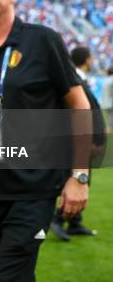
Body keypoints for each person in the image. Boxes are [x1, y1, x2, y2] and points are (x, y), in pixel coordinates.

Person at [0, 0, 91, 281]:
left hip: (33, 189)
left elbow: (79, 105)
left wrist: (80, 176)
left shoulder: (42, 41)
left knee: (8, 275)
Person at [50, 46, 107, 240]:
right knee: (75, 177)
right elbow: (86, 109)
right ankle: (58, 218)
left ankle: (74, 222)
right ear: (86, 59)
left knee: (83, 178)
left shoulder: (78, 78)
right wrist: (96, 138)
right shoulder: (74, 78)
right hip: (78, 139)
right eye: (91, 57)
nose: (93, 61)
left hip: (83, 138)